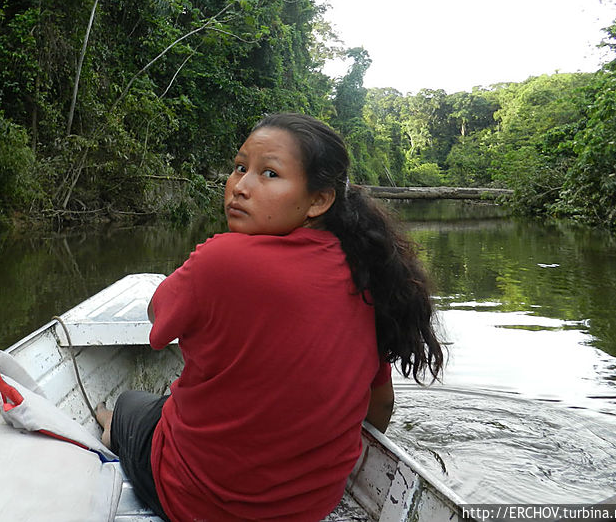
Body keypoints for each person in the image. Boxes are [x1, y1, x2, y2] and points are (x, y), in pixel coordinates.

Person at [96, 112, 444, 522]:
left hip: (199, 503)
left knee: (128, 405)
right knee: (163, 405)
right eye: (240, 167)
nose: (240, 187)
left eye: (269, 174)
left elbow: (158, 322)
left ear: (319, 200)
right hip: (309, 507)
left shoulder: (221, 259)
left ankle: (110, 424)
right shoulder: (367, 272)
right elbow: (380, 404)